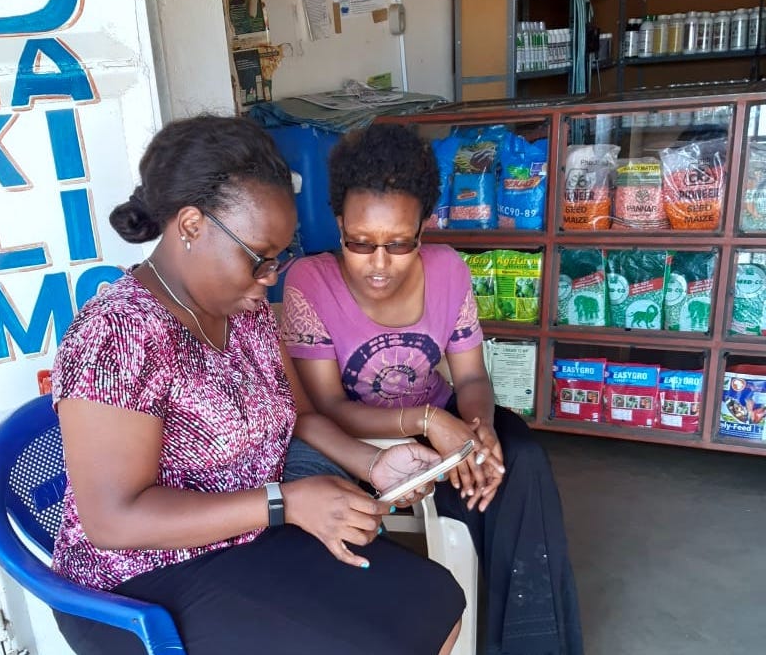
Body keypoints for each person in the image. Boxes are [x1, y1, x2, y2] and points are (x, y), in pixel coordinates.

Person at [49, 115, 466, 655]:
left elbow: (305, 417)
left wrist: (373, 464)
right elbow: (113, 519)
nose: (271, 277)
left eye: (280, 257)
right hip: (141, 581)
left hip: (250, 539)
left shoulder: (243, 312)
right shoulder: (118, 333)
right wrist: (284, 504)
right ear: (193, 226)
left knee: (435, 600)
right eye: (259, 258)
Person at [281, 123, 584, 655]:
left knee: (521, 462)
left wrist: (478, 431)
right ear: (339, 225)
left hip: (445, 418)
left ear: (424, 227)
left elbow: (469, 378)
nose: (379, 265)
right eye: (361, 244)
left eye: (399, 244)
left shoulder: (448, 270)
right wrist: (427, 423)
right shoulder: (310, 280)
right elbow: (328, 407)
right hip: (359, 439)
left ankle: (534, 645)